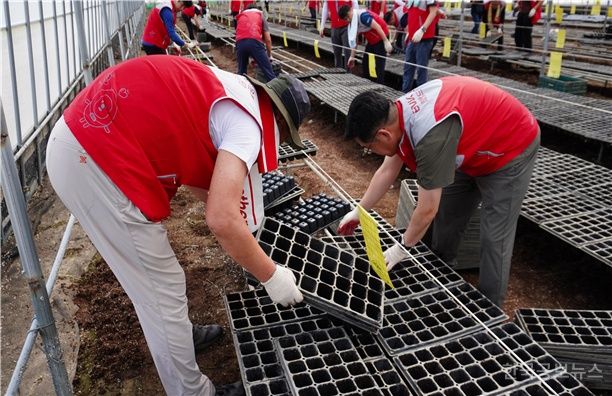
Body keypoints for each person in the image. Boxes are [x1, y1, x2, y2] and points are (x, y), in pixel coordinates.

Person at [45, 56, 309, 396]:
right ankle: (192, 391)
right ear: (283, 127)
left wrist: (235, 226)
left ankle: (178, 337)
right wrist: (272, 276)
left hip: (85, 139)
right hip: (93, 158)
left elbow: (205, 187)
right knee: (161, 288)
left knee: (161, 286)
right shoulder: (248, 127)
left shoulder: (233, 93)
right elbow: (220, 218)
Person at [338, 76, 540, 308]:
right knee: (448, 216)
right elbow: (387, 171)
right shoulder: (399, 114)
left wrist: (400, 249)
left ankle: (490, 309)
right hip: (469, 143)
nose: (372, 153)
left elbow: (426, 209)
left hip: (510, 148)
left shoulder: (429, 136)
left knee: (495, 236)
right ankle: (441, 277)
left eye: (369, 148)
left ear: (383, 135)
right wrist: (359, 210)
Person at [340, 5, 393, 83]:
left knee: (379, 63)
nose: (348, 19)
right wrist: (352, 56)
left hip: (381, 36)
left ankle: (380, 84)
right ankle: (367, 81)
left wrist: (386, 41)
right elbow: (355, 40)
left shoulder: (363, 16)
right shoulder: (352, 23)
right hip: (371, 39)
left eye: (348, 16)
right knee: (365, 62)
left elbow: (377, 27)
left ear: (351, 10)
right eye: (345, 19)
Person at [401, 0, 441, 92]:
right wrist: (409, 31)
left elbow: (433, 11)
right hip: (413, 37)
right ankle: (404, 93)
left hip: (424, 38)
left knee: (421, 70)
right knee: (408, 68)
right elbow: (412, 14)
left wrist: (422, 29)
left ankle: (421, 96)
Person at [235, 4, 276, 82]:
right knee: (268, 71)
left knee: (241, 72)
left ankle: (242, 91)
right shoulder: (260, 15)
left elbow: (243, 36)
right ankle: (276, 91)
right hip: (254, 42)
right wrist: (269, 55)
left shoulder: (242, 16)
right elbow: (268, 40)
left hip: (239, 43)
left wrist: (252, 56)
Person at [319, 0, 359, 70]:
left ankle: (348, 74)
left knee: (348, 52)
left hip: (347, 25)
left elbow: (355, 4)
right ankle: (338, 72)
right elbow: (325, 7)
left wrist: (356, 23)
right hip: (334, 26)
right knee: (337, 52)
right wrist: (322, 26)